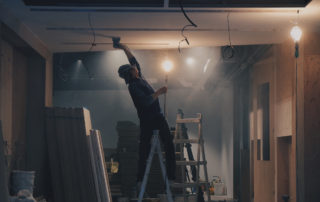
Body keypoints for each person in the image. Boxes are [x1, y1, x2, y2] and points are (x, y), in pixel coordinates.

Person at [116, 43, 176, 187]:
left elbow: (133, 61)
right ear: (130, 73)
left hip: (158, 116)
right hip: (148, 121)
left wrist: (125, 48)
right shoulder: (133, 87)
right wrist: (159, 92)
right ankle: (140, 178)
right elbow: (146, 101)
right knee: (144, 149)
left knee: (168, 143)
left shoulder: (139, 78)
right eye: (133, 69)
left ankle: (171, 176)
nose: (135, 68)